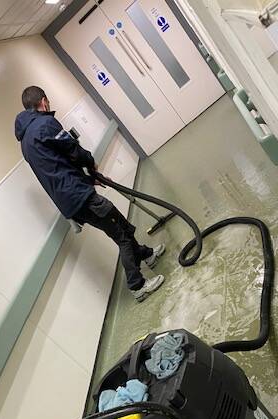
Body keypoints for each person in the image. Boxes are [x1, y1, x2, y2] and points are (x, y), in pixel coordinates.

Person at [14, 86, 165, 302]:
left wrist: (87, 178)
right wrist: (89, 161)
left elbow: (58, 168)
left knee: (119, 225)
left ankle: (146, 255)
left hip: (71, 200)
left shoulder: (25, 142)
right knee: (121, 234)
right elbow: (72, 151)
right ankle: (137, 285)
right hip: (80, 196)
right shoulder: (45, 123)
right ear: (44, 101)